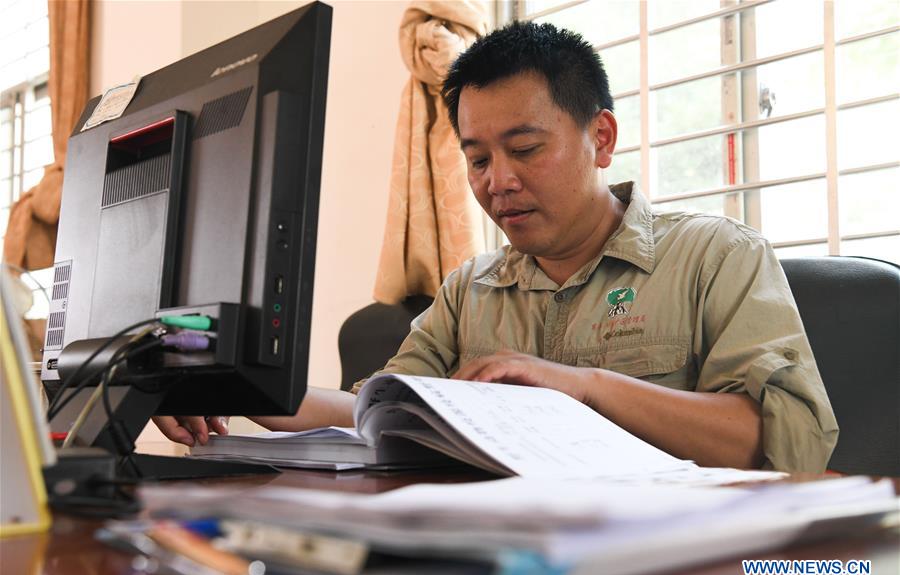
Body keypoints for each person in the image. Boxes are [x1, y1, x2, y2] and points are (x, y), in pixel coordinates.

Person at [155, 21, 837, 473]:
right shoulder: (470, 290)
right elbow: (369, 411)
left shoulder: (717, 256)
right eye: (477, 159)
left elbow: (782, 443)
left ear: (601, 138)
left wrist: (585, 388)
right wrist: (236, 385)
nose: (498, 182)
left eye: (526, 149)